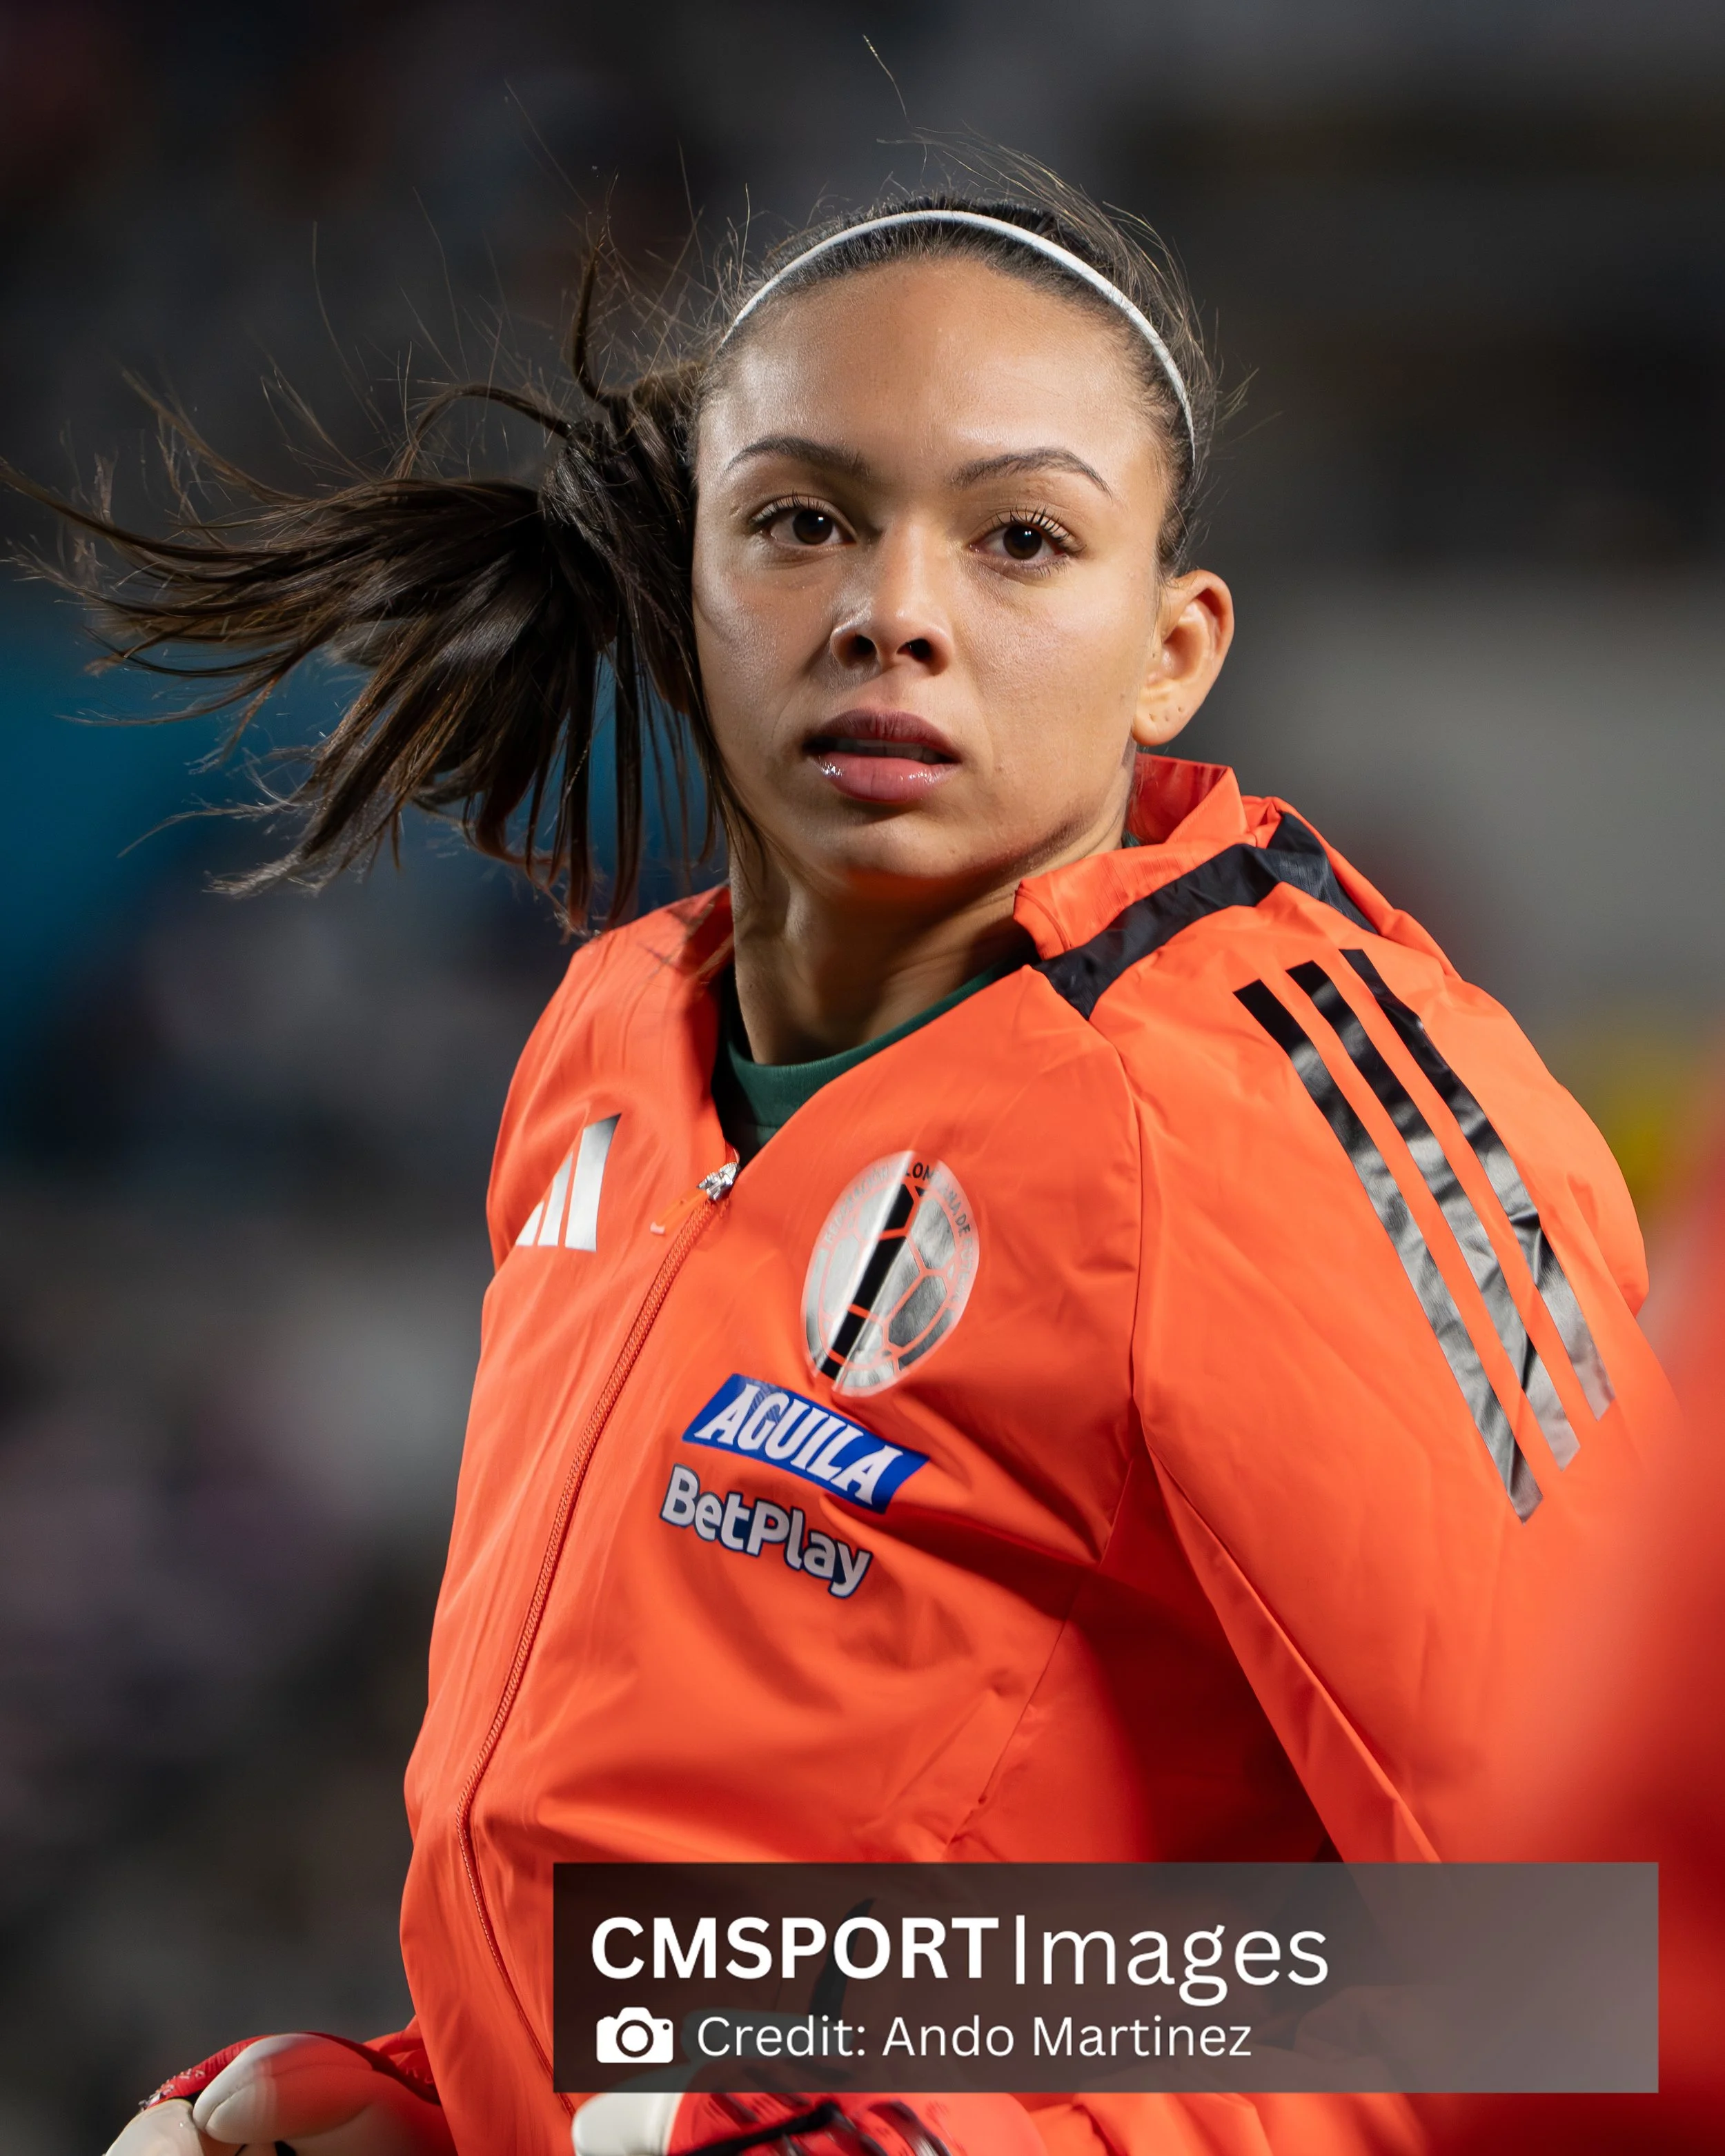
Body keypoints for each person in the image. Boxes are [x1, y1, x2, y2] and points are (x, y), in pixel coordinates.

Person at [30, 161, 1670, 2156]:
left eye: (1020, 541)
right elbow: (746, 1935)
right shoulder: (605, 1058)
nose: (897, 613)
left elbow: (1605, 1966)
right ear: (689, 584)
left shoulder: (1289, 1099)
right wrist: (431, 2095)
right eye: (803, 521)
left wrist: (947, 2135)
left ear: (1172, 648)